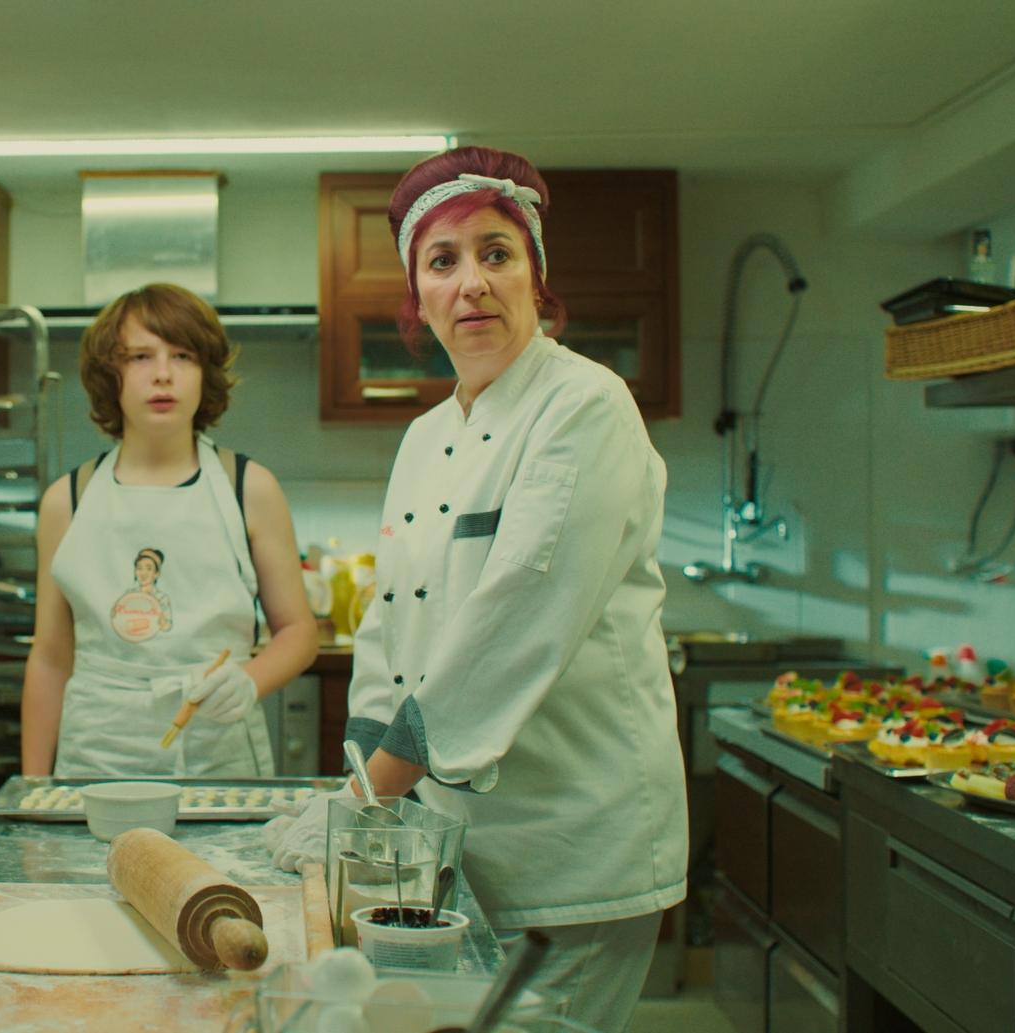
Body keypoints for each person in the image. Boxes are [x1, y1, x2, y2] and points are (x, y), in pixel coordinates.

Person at [262, 147, 687, 1032]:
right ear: (417, 295)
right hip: (457, 850)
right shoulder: (424, 437)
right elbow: (388, 623)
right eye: (442, 261)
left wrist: (365, 799)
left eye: (497, 253)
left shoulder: (585, 405)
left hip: (573, 844)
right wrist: (360, 785)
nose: (472, 284)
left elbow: (517, 619)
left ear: (536, 273)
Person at [21, 283, 318, 777]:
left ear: (205, 374)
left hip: (218, 760)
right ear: (109, 376)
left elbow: (299, 632)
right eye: (140, 357)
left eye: (183, 356)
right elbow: (50, 658)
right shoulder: (65, 501)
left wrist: (249, 681)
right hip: (96, 758)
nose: (163, 374)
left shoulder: (249, 488)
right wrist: (32, 789)